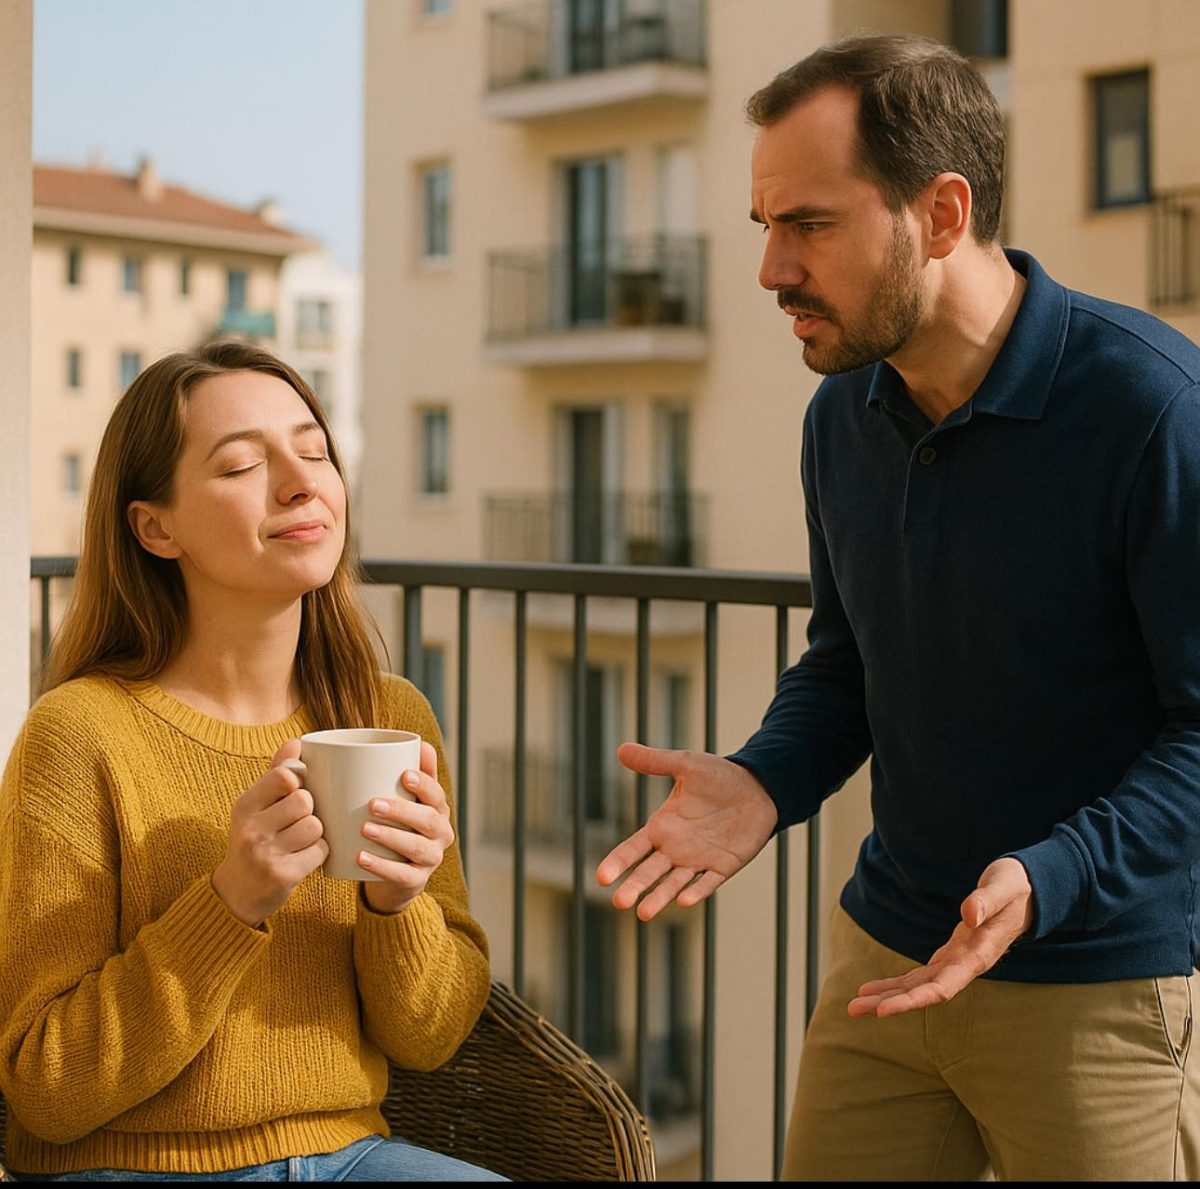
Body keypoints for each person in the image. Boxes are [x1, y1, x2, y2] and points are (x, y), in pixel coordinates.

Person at [597, 32, 1200, 1182]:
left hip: (1096, 994)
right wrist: (768, 777)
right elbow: (846, 664)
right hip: (883, 959)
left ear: (940, 212)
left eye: (809, 225)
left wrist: (1050, 874)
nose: (773, 269)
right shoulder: (841, 419)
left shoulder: (1154, 411)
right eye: (766, 227)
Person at [0, 342, 503, 1182]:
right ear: (154, 526)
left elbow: (431, 1037)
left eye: (313, 451)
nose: (301, 481)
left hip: (352, 1156)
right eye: (241, 464)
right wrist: (231, 902)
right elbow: (44, 1088)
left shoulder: (388, 718)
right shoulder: (79, 735)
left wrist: (397, 902)